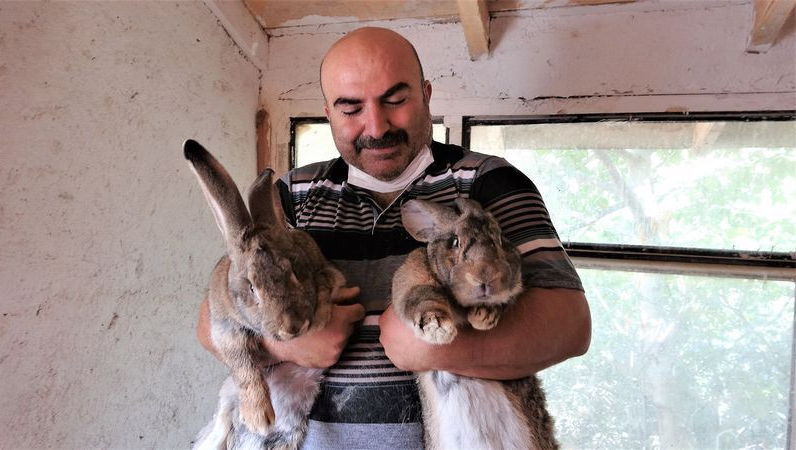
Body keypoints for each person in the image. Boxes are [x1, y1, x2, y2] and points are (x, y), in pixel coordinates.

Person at [197, 26, 591, 449]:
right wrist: (287, 346)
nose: (377, 125)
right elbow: (211, 323)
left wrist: (434, 348)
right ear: (328, 111)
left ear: (426, 94)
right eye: (350, 108)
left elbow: (568, 325)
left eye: (395, 100)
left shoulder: (489, 182)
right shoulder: (291, 194)